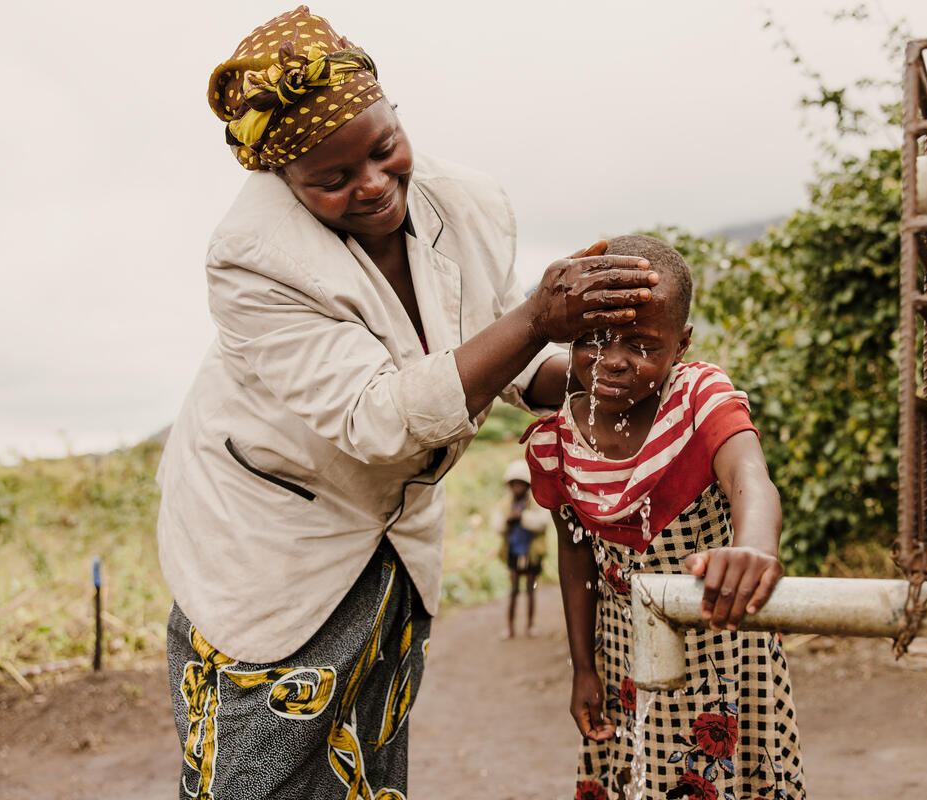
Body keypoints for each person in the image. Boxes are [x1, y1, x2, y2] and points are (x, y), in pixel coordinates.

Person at [155, 7, 658, 799]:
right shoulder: (249, 258)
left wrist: (613, 369)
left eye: (385, 148)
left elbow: (502, 363)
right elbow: (378, 419)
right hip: (271, 541)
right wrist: (535, 319)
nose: (375, 183)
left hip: (389, 543)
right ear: (282, 179)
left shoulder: (470, 204)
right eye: (333, 179)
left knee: (369, 765)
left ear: (395, 117)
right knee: (256, 775)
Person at [524, 235, 806, 800]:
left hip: (723, 642)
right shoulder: (557, 438)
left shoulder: (699, 397)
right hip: (622, 651)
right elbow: (575, 552)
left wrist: (753, 548)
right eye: (592, 339)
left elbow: (750, 477)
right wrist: (584, 665)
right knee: (638, 776)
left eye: (641, 344)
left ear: (681, 345)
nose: (612, 359)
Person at [492, 459, 550, 638]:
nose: (517, 487)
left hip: (531, 553)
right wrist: (508, 520)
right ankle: (510, 627)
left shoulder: (536, 502)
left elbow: (543, 522)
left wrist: (522, 517)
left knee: (530, 589)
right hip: (513, 552)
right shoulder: (505, 504)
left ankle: (530, 625)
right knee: (514, 589)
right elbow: (496, 524)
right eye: (514, 484)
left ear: (527, 485)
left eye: (521, 484)